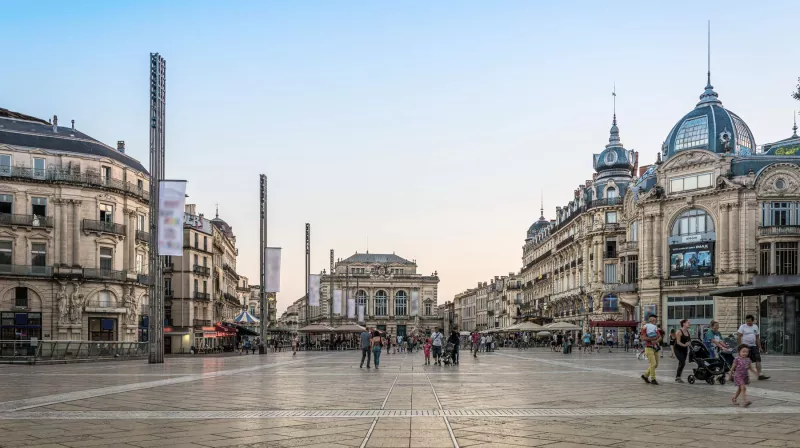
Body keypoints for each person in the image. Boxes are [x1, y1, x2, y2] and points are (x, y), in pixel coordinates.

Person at [737, 315, 770, 380]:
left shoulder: (755, 327)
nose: (748, 322)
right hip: (745, 346)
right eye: (747, 321)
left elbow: (757, 337)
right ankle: (742, 375)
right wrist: (740, 346)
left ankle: (760, 374)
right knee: (744, 361)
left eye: (750, 321)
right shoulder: (742, 326)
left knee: (758, 359)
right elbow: (739, 336)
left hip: (754, 346)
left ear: (753, 321)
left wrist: (760, 347)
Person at [640, 314, 661, 385]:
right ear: (650, 320)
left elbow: (660, 337)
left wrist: (656, 341)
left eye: (655, 320)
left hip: (655, 348)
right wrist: (653, 339)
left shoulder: (655, 328)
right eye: (654, 320)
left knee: (656, 365)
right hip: (648, 348)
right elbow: (643, 338)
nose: (655, 321)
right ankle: (653, 379)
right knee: (653, 363)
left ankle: (645, 376)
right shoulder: (645, 328)